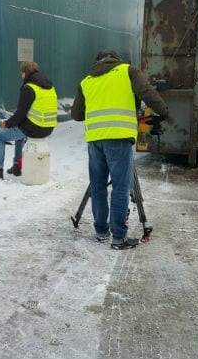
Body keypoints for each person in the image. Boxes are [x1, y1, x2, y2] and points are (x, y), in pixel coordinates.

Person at [71, 49, 168, 250]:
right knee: (121, 188)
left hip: (95, 140)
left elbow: (76, 114)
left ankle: (100, 231)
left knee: (97, 186)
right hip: (119, 139)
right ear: (116, 59)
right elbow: (148, 93)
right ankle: (118, 238)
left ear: (98, 62)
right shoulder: (127, 71)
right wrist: (162, 112)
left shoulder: (87, 81)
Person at [0, 61, 58, 180]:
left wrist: (6, 123)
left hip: (35, 128)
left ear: (24, 73)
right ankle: (17, 166)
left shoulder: (29, 88)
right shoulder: (50, 86)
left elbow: (20, 114)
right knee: (21, 131)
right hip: (48, 127)